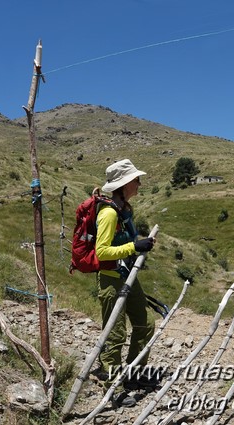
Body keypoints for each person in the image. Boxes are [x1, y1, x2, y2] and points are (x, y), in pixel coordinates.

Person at [94, 159, 157, 407]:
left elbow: (123, 243)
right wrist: (134, 246)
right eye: (135, 180)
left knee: (145, 324)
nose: (139, 183)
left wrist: (139, 244)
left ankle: (132, 372)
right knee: (115, 334)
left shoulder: (125, 210)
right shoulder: (109, 213)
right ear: (124, 184)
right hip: (112, 281)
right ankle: (113, 388)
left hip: (128, 275)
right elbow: (102, 252)